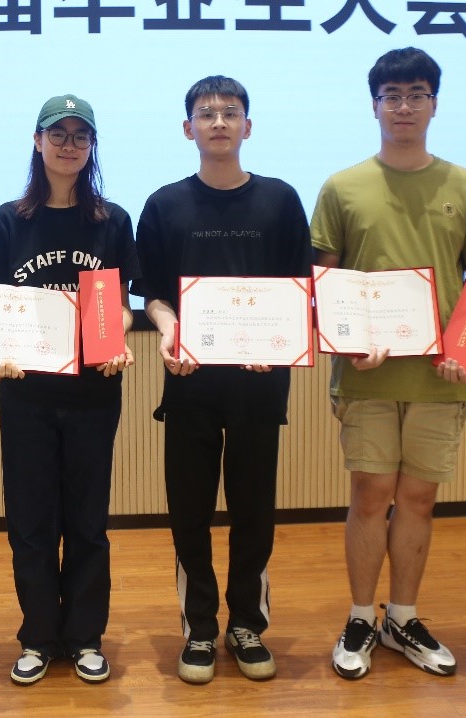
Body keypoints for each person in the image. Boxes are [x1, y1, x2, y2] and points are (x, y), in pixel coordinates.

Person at [311, 47, 466, 681]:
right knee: (370, 494)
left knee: (419, 497)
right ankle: (360, 617)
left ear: (434, 105)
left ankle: (403, 617)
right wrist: (344, 341)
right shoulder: (342, 187)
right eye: (391, 96)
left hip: (439, 375)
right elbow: (323, 280)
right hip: (366, 373)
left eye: (416, 94)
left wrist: (464, 348)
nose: (404, 106)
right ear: (374, 106)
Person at [134, 75, 313, 684]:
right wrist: (168, 330)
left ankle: (247, 625)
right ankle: (200, 627)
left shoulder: (281, 200)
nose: (218, 122)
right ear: (187, 128)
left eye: (230, 112)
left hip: (261, 384)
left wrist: (278, 340)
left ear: (247, 126)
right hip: (190, 382)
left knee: (253, 509)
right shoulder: (164, 205)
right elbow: (154, 295)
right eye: (206, 113)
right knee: (189, 509)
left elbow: (299, 289)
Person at [0, 94, 140, 685]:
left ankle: (85, 636)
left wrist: (118, 338)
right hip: (27, 395)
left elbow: (120, 306)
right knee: (32, 522)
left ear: (91, 147)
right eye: (58, 133)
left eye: (80, 135)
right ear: (37, 141)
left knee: (88, 522)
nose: (69, 145)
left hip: (94, 392)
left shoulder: (112, 220)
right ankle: (39, 637)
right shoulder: (7, 221)